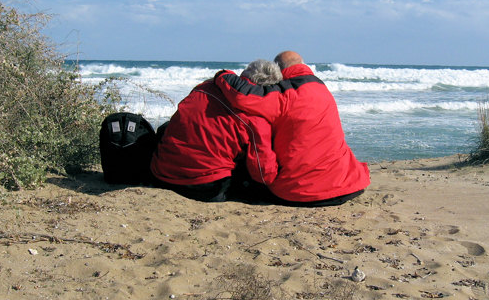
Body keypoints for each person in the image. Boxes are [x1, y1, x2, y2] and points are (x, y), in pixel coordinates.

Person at [213, 50, 370, 206]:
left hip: (301, 192)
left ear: (278, 69)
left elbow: (242, 96)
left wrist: (223, 74)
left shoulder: (283, 94)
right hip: (350, 185)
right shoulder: (322, 88)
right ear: (303, 64)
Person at [149, 59, 281, 202]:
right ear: (268, 90)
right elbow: (263, 174)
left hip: (162, 173)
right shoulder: (257, 118)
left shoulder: (205, 86)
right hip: (205, 186)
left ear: (244, 74)